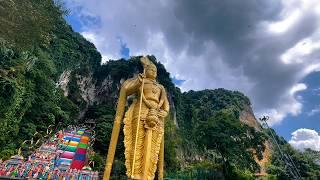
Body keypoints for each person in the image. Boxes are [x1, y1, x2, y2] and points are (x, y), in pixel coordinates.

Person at [105, 56, 169, 180]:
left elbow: (165, 103)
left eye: (155, 71)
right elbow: (126, 89)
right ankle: (136, 174)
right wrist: (138, 82)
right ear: (146, 70)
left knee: (153, 146)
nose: (154, 73)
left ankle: (148, 175)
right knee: (137, 143)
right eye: (151, 70)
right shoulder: (141, 81)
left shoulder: (161, 87)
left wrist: (165, 111)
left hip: (155, 114)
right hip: (140, 111)